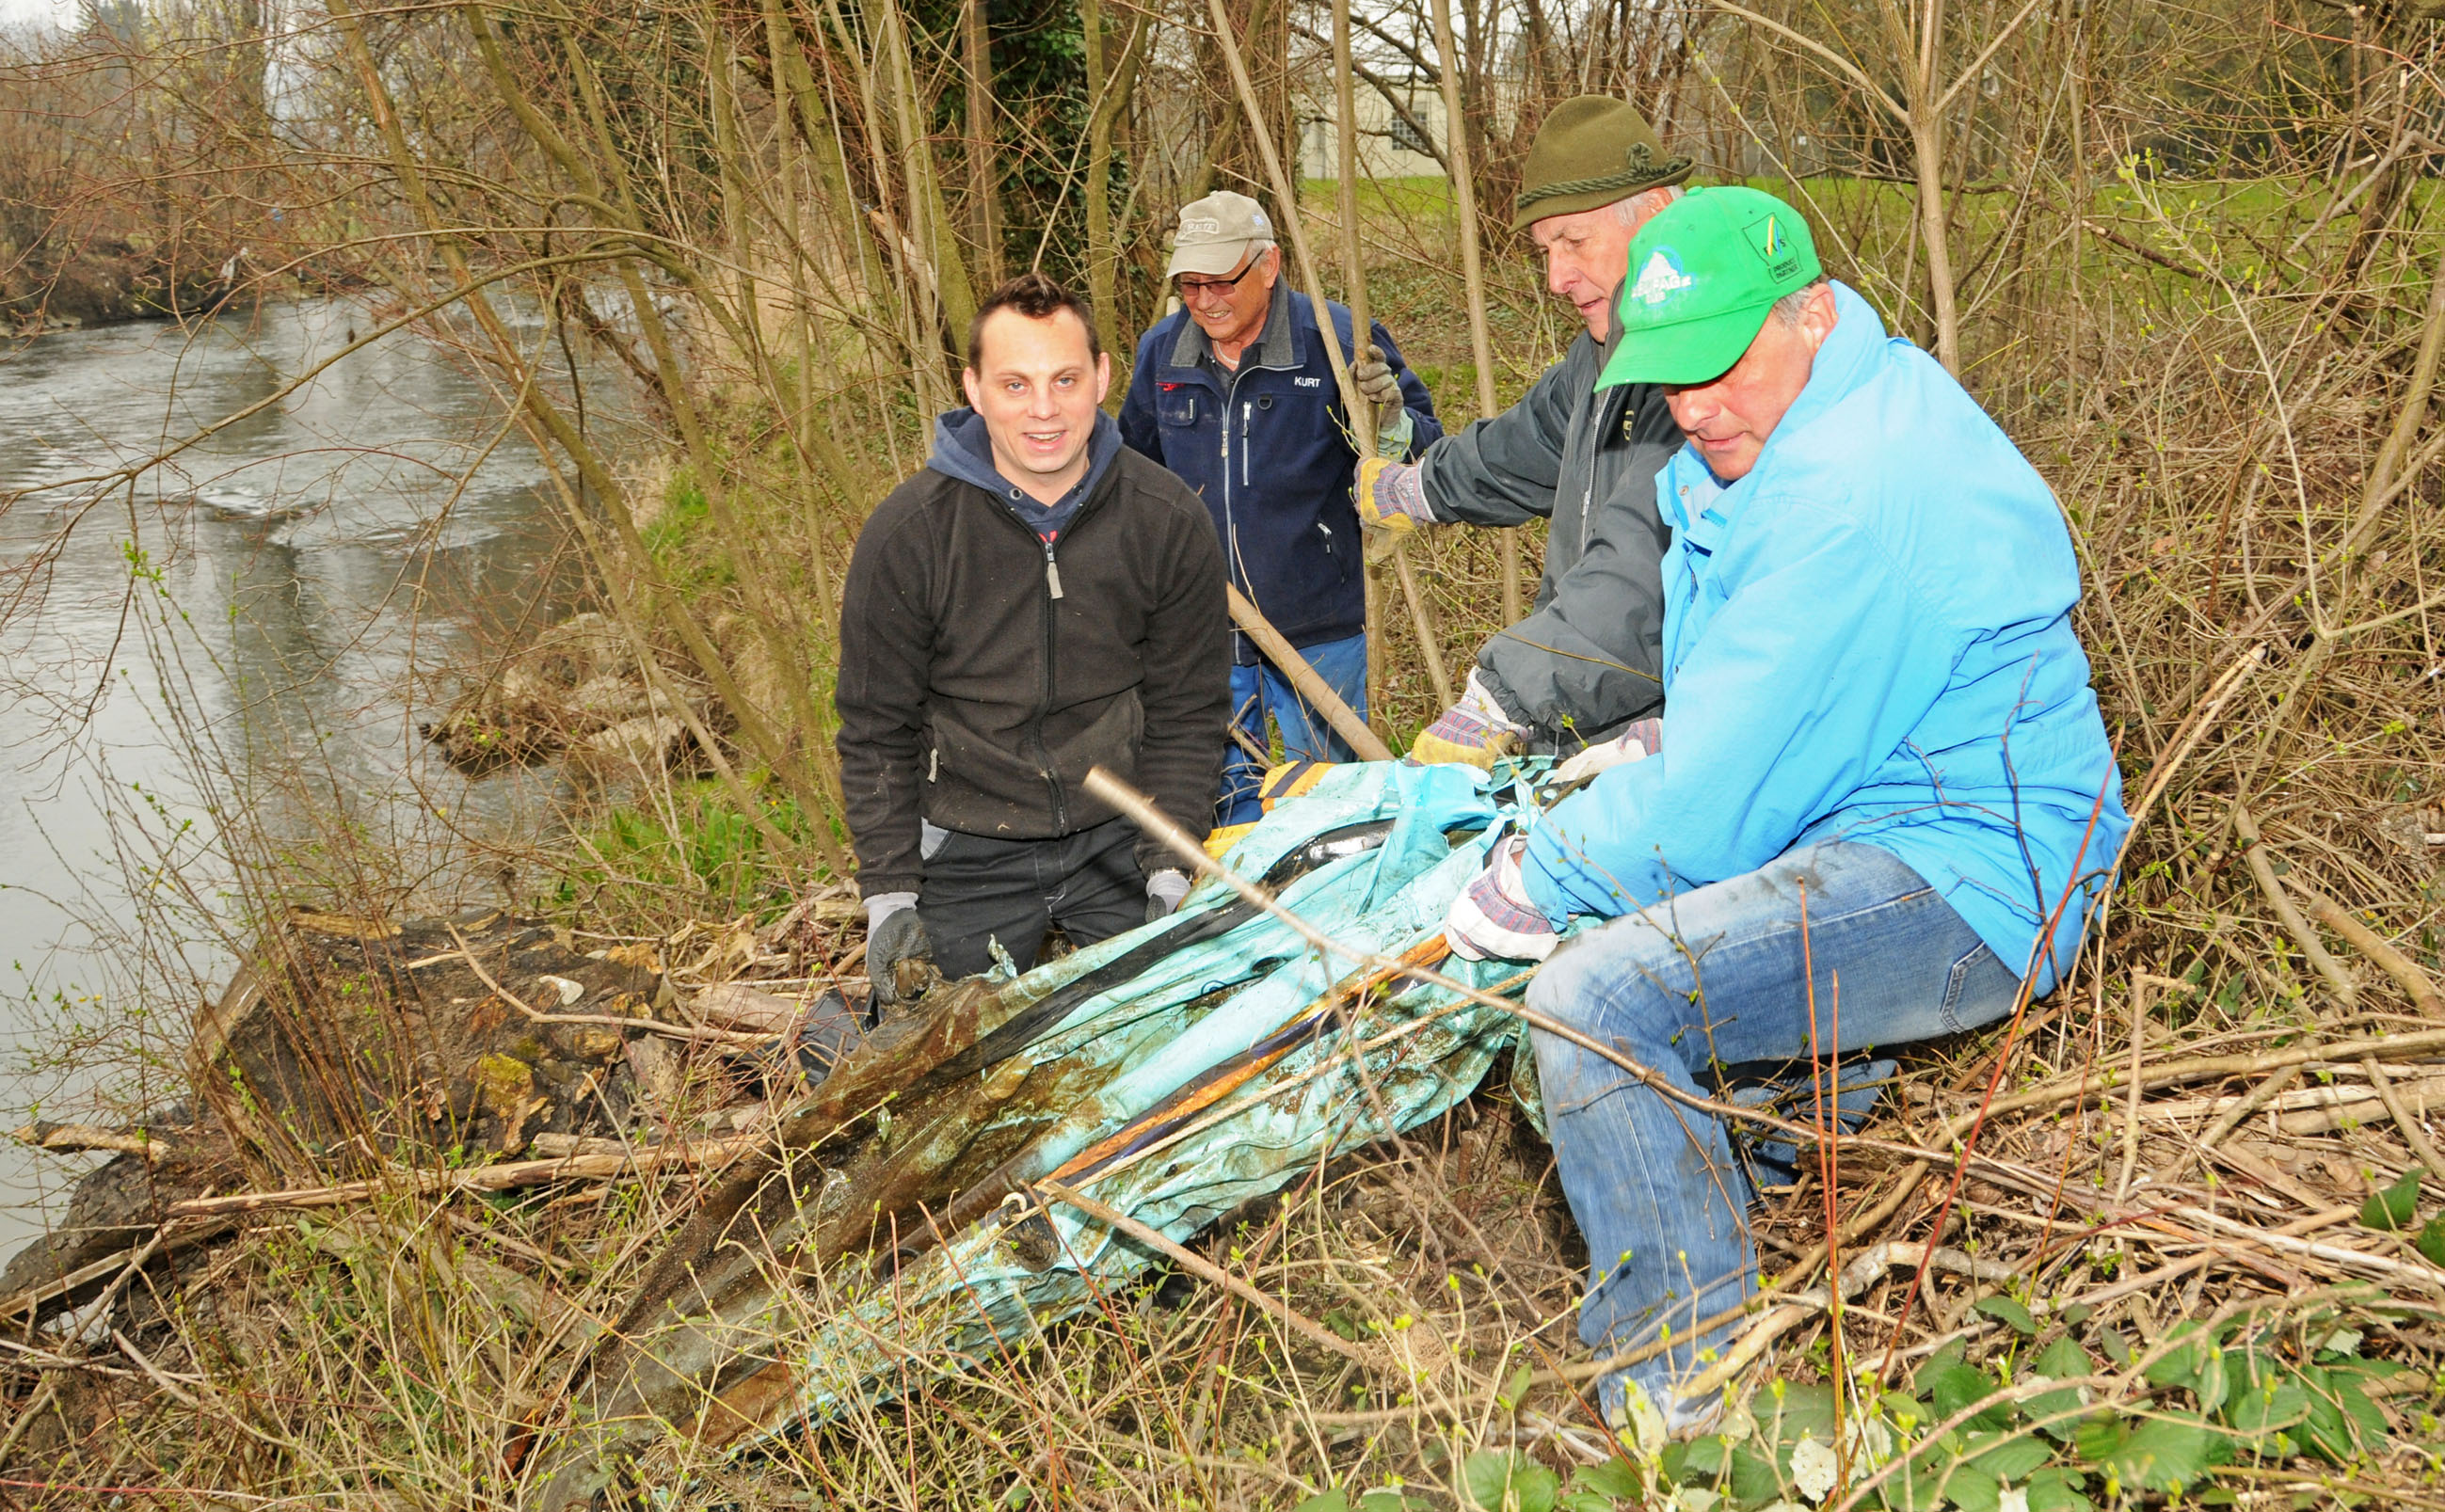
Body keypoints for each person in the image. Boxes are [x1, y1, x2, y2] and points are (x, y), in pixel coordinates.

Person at [1439, 188, 2131, 1439]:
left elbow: (1705, 817)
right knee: (1708, 1043)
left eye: (1719, 366)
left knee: (1596, 1001)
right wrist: (1663, 736)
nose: (1696, 407)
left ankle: (1685, 1411)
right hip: (1873, 809)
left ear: (1807, 312)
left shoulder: (1847, 488)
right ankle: (1764, 1227)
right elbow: (1782, 683)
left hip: (1974, 872)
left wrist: (1535, 872)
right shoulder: (1823, 401)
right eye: (1671, 378)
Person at [838, 273, 1231, 1010]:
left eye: (1065, 380)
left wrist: (1170, 863)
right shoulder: (909, 536)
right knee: (929, 1047)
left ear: (1103, 377)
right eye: (1015, 384)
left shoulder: (1167, 520)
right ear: (974, 389)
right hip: (968, 837)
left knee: (1181, 1025)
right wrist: (889, 894)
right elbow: (873, 728)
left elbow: (1189, 711)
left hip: (1120, 830)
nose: (1044, 409)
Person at [1355, 95, 1691, 768]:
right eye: (1545, 250)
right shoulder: (1601, 354)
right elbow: (1525, 444)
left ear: (1656, 214)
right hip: (1586, 724)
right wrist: (1417, 489)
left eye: (1574, 242)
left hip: (1668, 741)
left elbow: (1643, 567)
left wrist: (1505, 697)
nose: (1556, 278)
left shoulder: (1700, 368)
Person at [1120, 190, 1441, 824]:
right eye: (1190, 285)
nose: (1205, 301)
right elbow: (1136, 470)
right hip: (1202, 626)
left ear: (1268, 266)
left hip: (1320, 624)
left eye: (1221, 281)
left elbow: (1426, 452)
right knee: (1218, 800)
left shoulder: (1335, 339)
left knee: (1328, 803)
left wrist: (1389, 419)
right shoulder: (1162, 352)